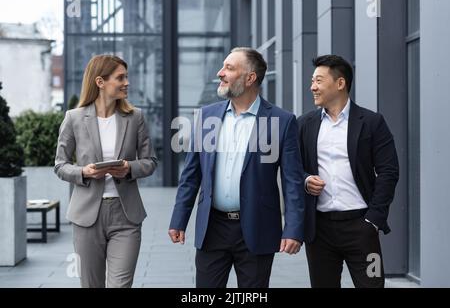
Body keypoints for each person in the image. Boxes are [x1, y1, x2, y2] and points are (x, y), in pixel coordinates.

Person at [168, 47, 305, 288]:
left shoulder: (280, 121)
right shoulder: (207, 117)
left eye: (229, 68)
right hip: (213, 228)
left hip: (257, 227)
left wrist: (293, 228)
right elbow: (191, 175)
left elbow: (292, 181)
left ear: (250, 78)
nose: (220, 73)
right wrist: (179, 219)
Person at [54, 54, 157, 288]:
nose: (126, 83)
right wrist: (84, 172)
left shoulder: (135, 117)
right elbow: (60, 165)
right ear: (100, 82)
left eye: (126, 77)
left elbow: (150, 161)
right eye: (120, 78)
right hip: (87, 216)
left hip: (126, 215)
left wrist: (129, 168)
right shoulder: (74, 118)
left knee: (120, 285)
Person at [297, 55, 399, 288]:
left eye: (319, 81)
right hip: (319, 232)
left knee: (373, 285)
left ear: (340, 83)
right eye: (312, 81)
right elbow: (294, 169)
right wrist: (305, 180)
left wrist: (373, 220)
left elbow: (388, 171)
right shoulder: (304, 124)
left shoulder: (372, 122)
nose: (312, 87)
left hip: (362, 230)